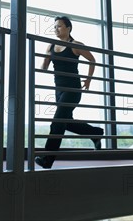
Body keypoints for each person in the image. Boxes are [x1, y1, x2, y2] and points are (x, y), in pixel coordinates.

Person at [34, 16, 104, 169]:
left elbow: (92, 60)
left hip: (73, 90)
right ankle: (95, 132)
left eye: (59, 26)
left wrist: (88, 80)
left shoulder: (76, 45)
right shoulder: (51, 45)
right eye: (55, 27)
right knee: (65, 122)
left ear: (68, 28)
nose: (56, 29)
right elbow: (44, 67)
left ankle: (47, 159)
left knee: (57, 122)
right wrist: (43, 59)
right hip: (58, 91)